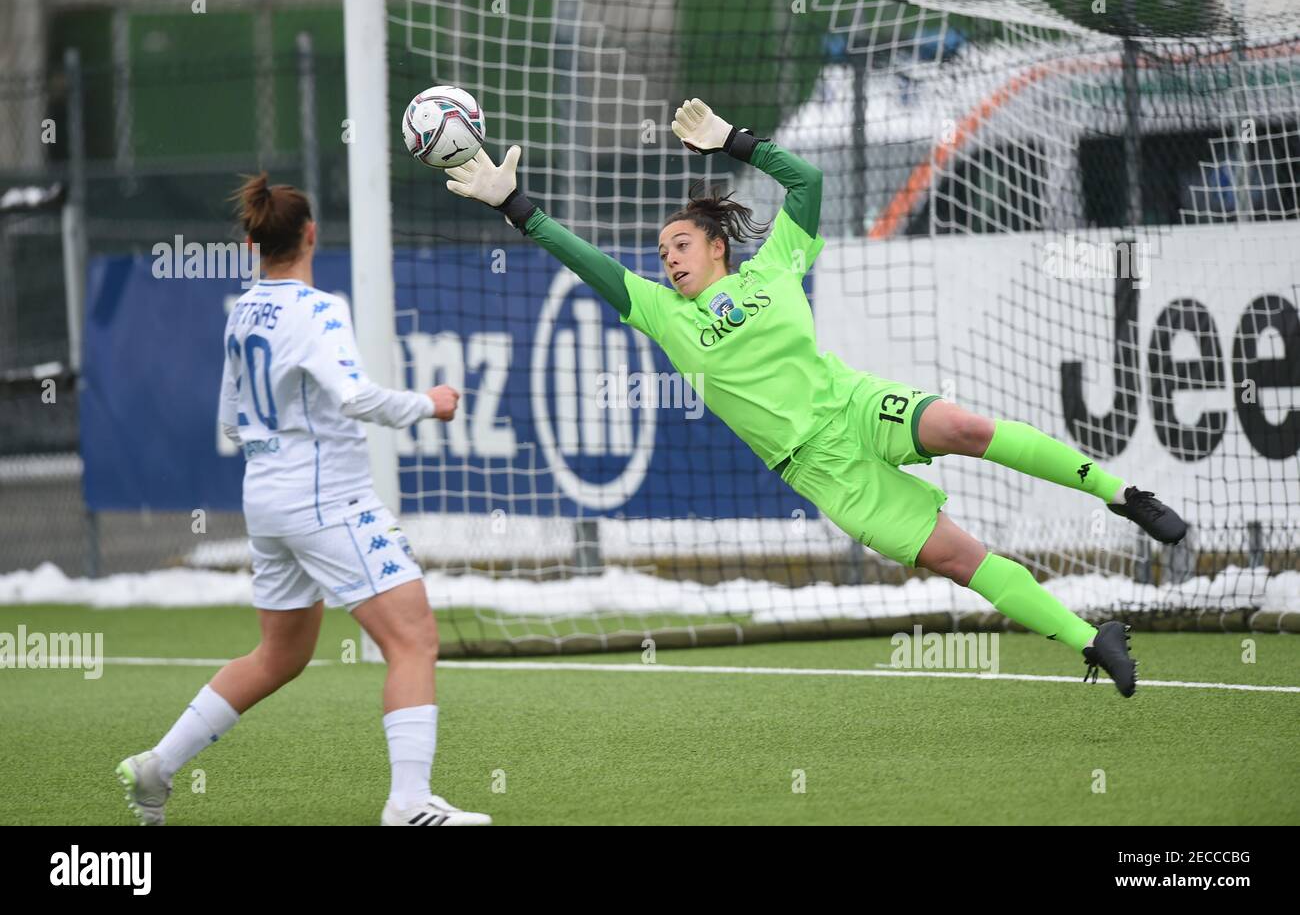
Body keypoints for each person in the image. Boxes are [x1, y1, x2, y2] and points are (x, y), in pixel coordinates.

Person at [443, 98, 1190, 697]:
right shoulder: (663, 314)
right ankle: (1091, 640)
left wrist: (736, 141)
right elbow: (589, 263)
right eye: (662, 251)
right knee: (963, 559)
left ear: (716, 245)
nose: (667, 258)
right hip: (821, 470)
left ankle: (1122, 492)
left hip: (854, 402)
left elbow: (808, 183)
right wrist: (518, 207)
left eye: (679, 244)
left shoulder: (774, 267)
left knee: (963, 424)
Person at [115, 173, 491, 826]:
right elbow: (355, 397)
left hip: (266, 500)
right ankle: (407, 803)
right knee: (414, 640)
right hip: (329, 501)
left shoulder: (243, 310)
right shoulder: (319, 309)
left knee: (281, 655)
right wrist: (427, 404)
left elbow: (230, 416)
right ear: (311, 234)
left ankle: (157, 766)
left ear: (254, 243)